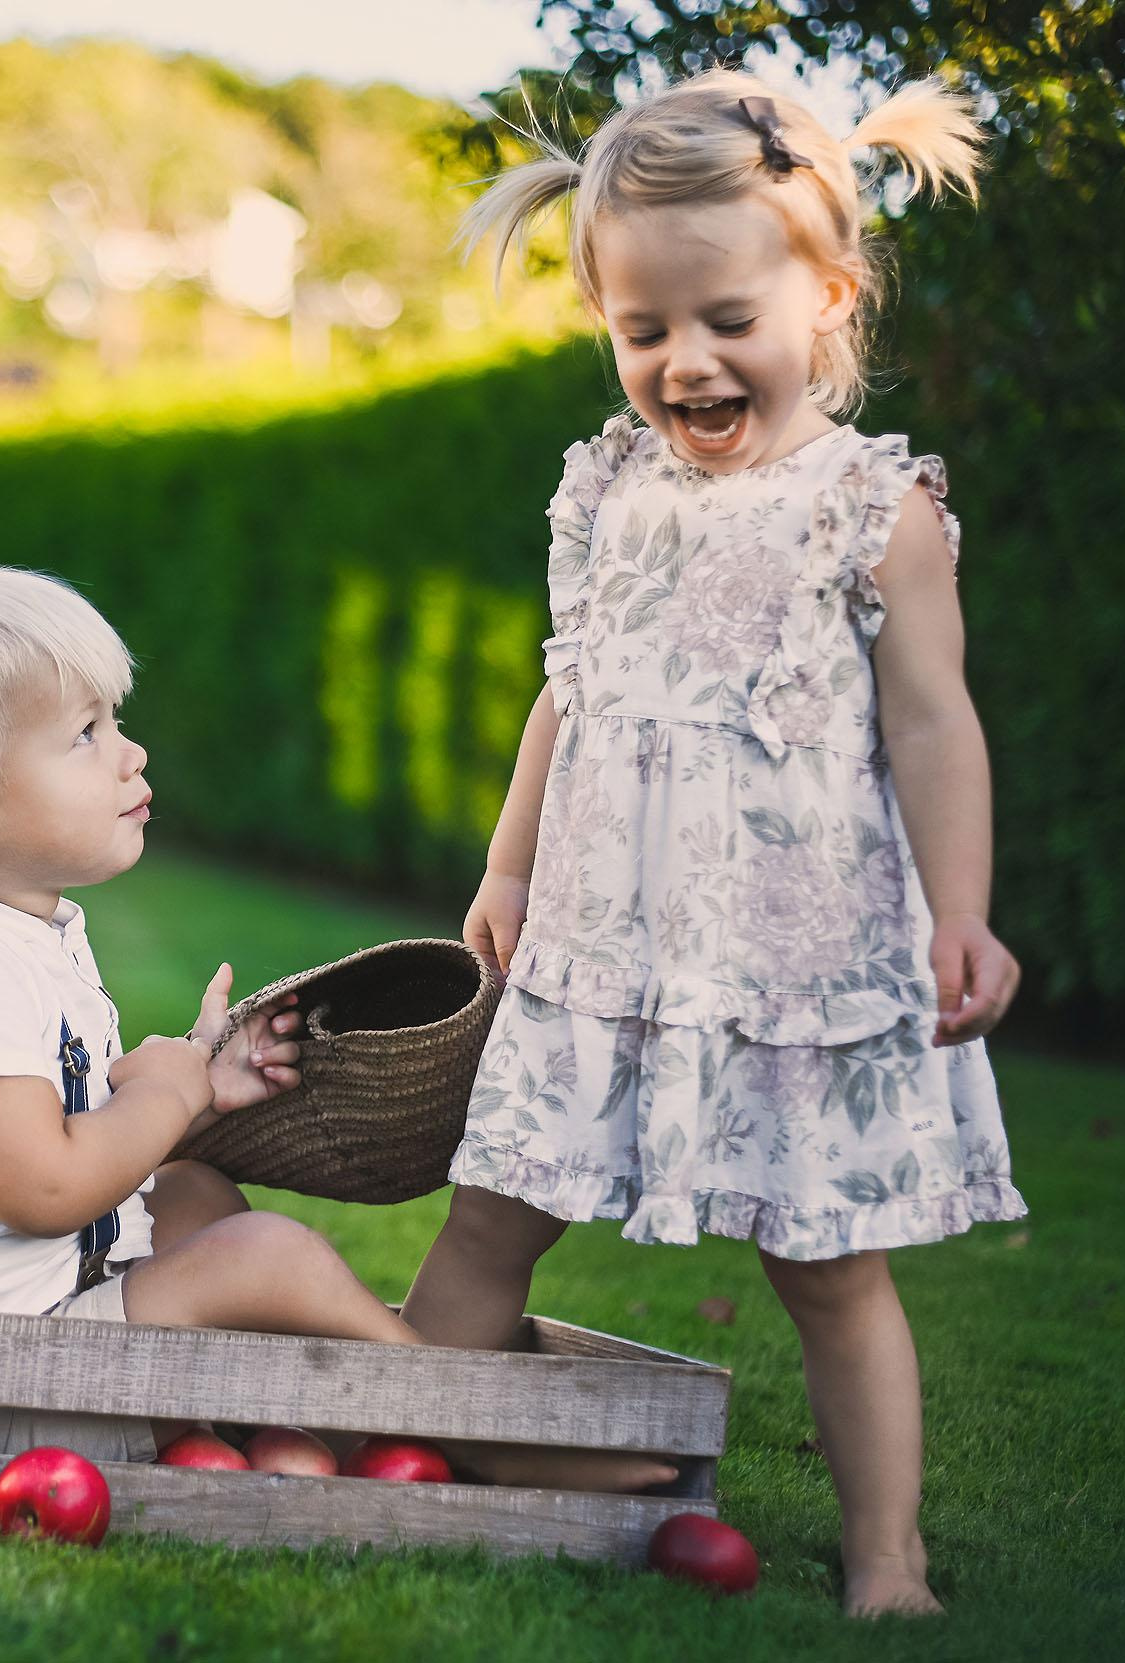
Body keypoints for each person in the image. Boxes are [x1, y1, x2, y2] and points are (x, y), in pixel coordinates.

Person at [398, 70, 1028, 1615]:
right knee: (493, 1207)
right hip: (604, 943)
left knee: (827, 1266)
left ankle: (889, 1557)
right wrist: (506, 864)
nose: (686, 362)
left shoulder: (875, 506)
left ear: (828, 293)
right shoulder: (608, 489)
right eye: (643, 330)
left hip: (789, 951)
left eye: (728, 319)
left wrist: (965, 909)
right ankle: (396, 1441)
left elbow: (934, 723)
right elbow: (575, 687)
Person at [0, 566, 439, 1465]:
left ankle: (251, 1421)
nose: (131, 754)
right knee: (264, 1255)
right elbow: (42, 1189)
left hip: (37, 1345)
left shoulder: (28, 933)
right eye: (86, 734)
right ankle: (471, 1411)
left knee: (196, 1198)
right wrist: (167, 1098)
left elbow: (71, 1128)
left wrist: (196, 1086)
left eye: (115, 722)